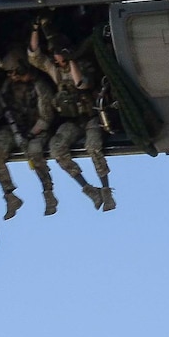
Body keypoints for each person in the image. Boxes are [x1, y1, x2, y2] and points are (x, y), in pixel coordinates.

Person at [0, 49, 57, 219]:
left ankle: (48, 192)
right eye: (10, 73)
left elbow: (46, 117)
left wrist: (30, 135)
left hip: (36, 128)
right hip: (14, 126)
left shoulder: (40, 86)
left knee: (35, 152)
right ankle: (10, 196)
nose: (13, 76)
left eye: (15, 72)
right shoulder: (8, 86)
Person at [45, 38, 115, 211]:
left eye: (61, 57)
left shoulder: (84, 66)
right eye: (56, 58)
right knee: (57, 149)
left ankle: (106, 190)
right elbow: (36, 58)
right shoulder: (57, 72)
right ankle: (88, 188)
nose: (58, 61)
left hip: (91, 117)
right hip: (73, 121)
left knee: (93, 147)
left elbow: (81, 83)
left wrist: (72, 61)